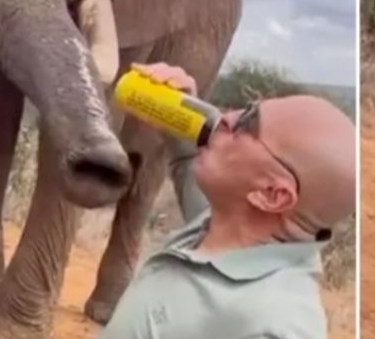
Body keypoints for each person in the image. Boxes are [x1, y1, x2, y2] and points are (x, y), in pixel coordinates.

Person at [98, 62, 356, 339]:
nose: (225, 117)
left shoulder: (276, 326)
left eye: (246, 125)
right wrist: (182, 111)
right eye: (245, 109)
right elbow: (187, 159)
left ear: (271, 194)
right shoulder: (226, 228)